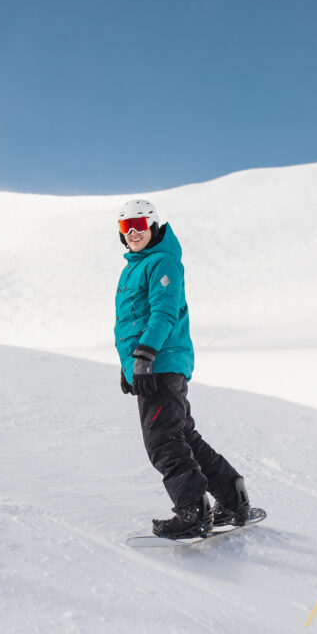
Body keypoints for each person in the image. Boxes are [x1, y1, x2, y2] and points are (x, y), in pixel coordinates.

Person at [114, 199, 251, 538]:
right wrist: (129, 364)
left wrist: (144, 355)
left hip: (161, 363)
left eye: (139, 225)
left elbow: (163, 313)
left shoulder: (162, 262)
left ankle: (193, 511)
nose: (132, 233)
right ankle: (233, 498)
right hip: (152, 365)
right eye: (125, 226)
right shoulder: (136, 266)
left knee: (164, 440)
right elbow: (133, 321)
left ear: (153, 226)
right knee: (182, 435)